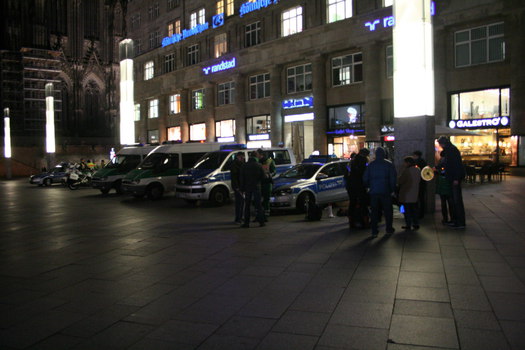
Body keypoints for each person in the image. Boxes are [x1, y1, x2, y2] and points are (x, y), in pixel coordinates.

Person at [363, 147, 397, 238]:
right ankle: (389, 229)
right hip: (386, 191)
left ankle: (374, 231)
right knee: (388, 211)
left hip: (374, 191)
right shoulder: (389, 164)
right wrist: (393, 189)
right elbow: (393, 179)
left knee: (374, 212)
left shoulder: (371, 165)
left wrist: (368, 186)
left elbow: (365, 178)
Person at [437, 136, 466, 228]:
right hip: (452, 178)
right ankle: (455, 220)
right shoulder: (450, 150)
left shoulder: (451, 150)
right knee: (454, 201)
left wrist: (456, 178)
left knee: (456, 201)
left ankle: (459, 222)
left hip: (453, 178)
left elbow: (456, 165)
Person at [240, 151, 266, 228]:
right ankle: (261, 222)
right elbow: (263, 177)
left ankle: (246, 223)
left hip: (247, 188)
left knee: (247, 205)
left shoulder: (244, 165)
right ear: (256, 157)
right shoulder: (259, 165)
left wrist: (242, 188)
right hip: (257, 187)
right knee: (258, 205)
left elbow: (241, 178)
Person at [347, 148, 370, 229]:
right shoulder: (363, 160)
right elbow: (364, 173)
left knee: (352, 202)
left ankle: (351, 222)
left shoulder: (352, 160)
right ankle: (366, 222)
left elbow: (348, 172)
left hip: (351, 185)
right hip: (360, 184)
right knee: (363, 203)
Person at [398, 156, 421, 230]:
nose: (404, 164)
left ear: (408, 163)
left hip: (406, 193)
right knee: (414, 210)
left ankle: (408, 224)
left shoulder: (407, 171)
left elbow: (400, 181)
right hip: (415, 193)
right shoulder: (418, 170)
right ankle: (416, 223)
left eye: (405, 162)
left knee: (407, 211)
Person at [435, 151, 454, 225]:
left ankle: (445, 219)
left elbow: (440, 171)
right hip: (448, 185)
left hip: (443, 185)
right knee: (450, 203)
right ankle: (452, 218)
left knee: (443, 203)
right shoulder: (450, 162)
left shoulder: (442, 162)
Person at [256, 149, 276, 218]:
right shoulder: (257, 162)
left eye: (257, 154)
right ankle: (260, 213)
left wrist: (269, 175)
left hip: (267, 183)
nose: (256, 155)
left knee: (266, 198)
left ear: (261, 154)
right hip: (259, 183)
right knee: (259, 199)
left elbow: (274, 171)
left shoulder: (269, 161)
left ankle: (266, 213)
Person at [230, 152, 245, 224]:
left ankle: (240, 217)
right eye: (241, 157)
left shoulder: (241, 164)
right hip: (238, 187)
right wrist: (237, 187)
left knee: (241, 202)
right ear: (238, 157)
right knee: (239, 202)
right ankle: (238, 218)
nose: (242, 158)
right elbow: (235, 177)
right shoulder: (235, 165)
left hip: (241, 186)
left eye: (243, 157)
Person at [412, 150, 427, 219]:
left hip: (419, 183)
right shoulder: (423, 162)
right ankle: (421, 213)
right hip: (422, 182)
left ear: (417, 156)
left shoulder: (418, 163)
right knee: (421, 198)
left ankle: (419, 213)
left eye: (414, 155)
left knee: (419, 198)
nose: (413, 157)